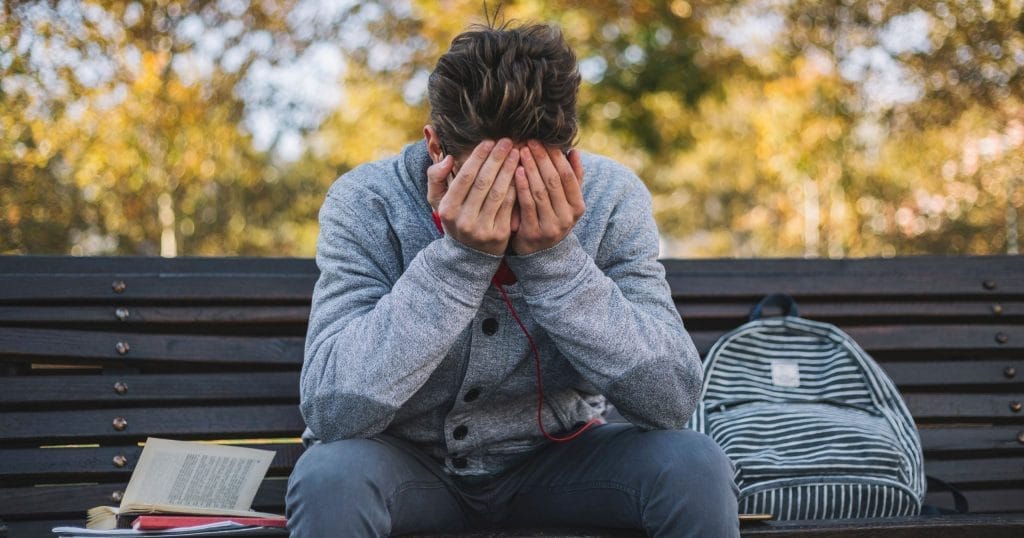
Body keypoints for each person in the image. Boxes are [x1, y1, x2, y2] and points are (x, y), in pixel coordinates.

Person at [285, 21, 739, 538]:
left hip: (560, 464)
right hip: (407, 467)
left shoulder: (612, 198)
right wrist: (459, 259)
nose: (509, 204)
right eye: (485, 182)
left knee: (693, 465)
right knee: (331, 477)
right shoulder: (366, 202)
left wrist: (556, 264)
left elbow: (672, 401)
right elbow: (333, 412)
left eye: (531, 181)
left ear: (569, 156)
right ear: (436, 148)